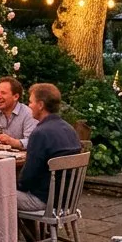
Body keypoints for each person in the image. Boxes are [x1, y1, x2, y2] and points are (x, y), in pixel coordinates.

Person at [16, 83, 81, 212]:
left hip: (43, 201)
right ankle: (28, 227)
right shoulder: (70, 129)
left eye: (31, 102)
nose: (29, 106)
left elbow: (28, 177)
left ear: (40, 105)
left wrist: (14, 185)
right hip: (66, 201)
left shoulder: (40, 133)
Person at [0, 76, 37, 149]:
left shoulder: (28, 113)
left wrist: (11, 141)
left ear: (16, 97)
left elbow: (32, 142)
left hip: (22, 156)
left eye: (3, 93)